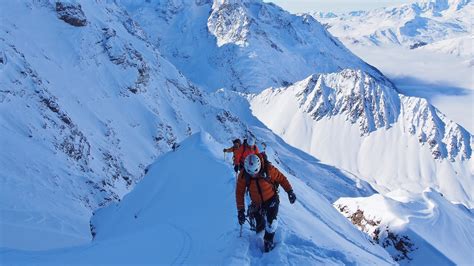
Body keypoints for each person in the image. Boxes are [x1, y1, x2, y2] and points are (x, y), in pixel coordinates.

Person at [235, 153, 297, 252]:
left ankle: (268, 243)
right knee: (259, 226)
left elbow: (281, 178)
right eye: (250, 173)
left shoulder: (268, 169)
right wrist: (240, 211)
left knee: (271, 222)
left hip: (271, 199)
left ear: (259, 166)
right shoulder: (243, 175)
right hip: (257, 203)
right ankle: (259, 238)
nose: (253, 175)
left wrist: (290, 191)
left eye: (255, 172)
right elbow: (239, 193)